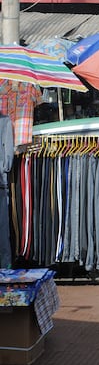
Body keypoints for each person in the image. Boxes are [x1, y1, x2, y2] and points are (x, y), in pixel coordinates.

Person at [0, 113, 13, 268]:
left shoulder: (5, 121)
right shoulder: (5, 121)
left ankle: (5, 270)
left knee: (3, 232)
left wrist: (4, 168)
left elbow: (8, 154)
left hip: (1, 184)